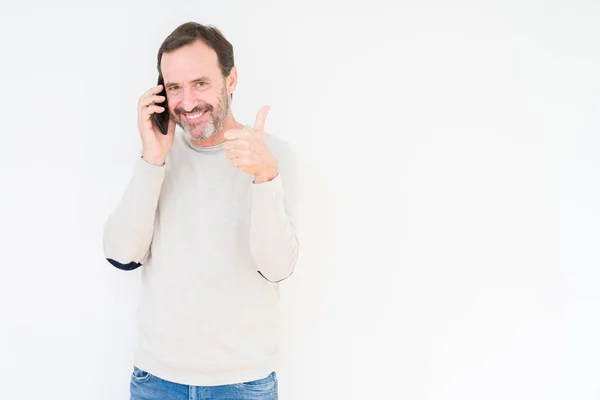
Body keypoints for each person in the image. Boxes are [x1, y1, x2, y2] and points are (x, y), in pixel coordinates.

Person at [102, 21, 299, 400]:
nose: (188, 102)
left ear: (231, 79)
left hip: (244, 384)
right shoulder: (157, 157)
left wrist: (265, 178)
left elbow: (277, 267)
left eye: (201, 83)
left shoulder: (272, 156)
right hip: (156, 381)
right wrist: (152, 159)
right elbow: (121, 255)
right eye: (175, 87)